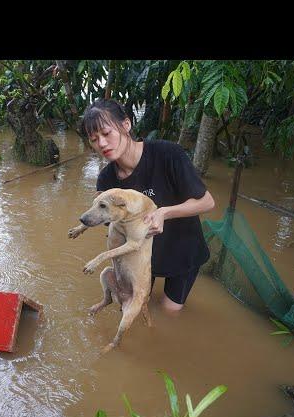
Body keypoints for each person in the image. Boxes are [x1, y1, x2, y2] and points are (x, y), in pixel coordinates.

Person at [81, 98, 215, 312]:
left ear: (126, 125)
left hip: (183, 249)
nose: (102, 144)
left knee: (169, 313)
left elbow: (207, 202)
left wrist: (164, 212)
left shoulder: (168, 154)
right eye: (94, 139)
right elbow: (115, 228)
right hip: (142, 257)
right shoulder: (106, 181)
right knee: (135, 307)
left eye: (107, 134)